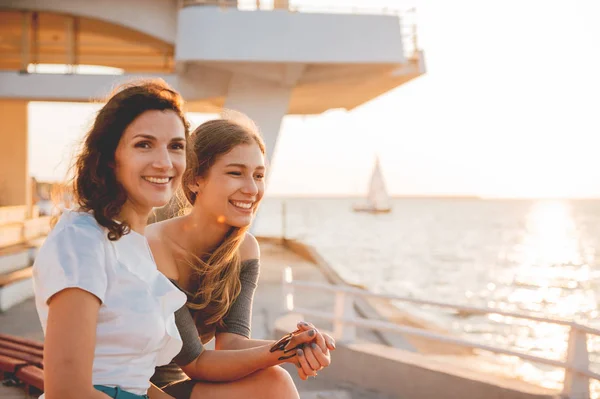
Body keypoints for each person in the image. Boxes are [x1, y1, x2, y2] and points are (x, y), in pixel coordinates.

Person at [147, 114, 335, 399]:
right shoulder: (155, 244)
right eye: (236, 173)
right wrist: (280, 353)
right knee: (274, 382)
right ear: (195, 179)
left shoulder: (243, 248)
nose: (252, 189)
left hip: (182, 387)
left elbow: (231, 344)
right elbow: (197, 363)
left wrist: (292, 345)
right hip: (128, 388)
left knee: (273, 379)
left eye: (258, 176)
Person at [32, 79, 190, 399]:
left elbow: (130, 377)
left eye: (176, 146)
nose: (164, 162)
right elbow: (68, 391)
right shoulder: (80, 240)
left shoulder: (128, 243)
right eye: (144, 144)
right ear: (108, 158)